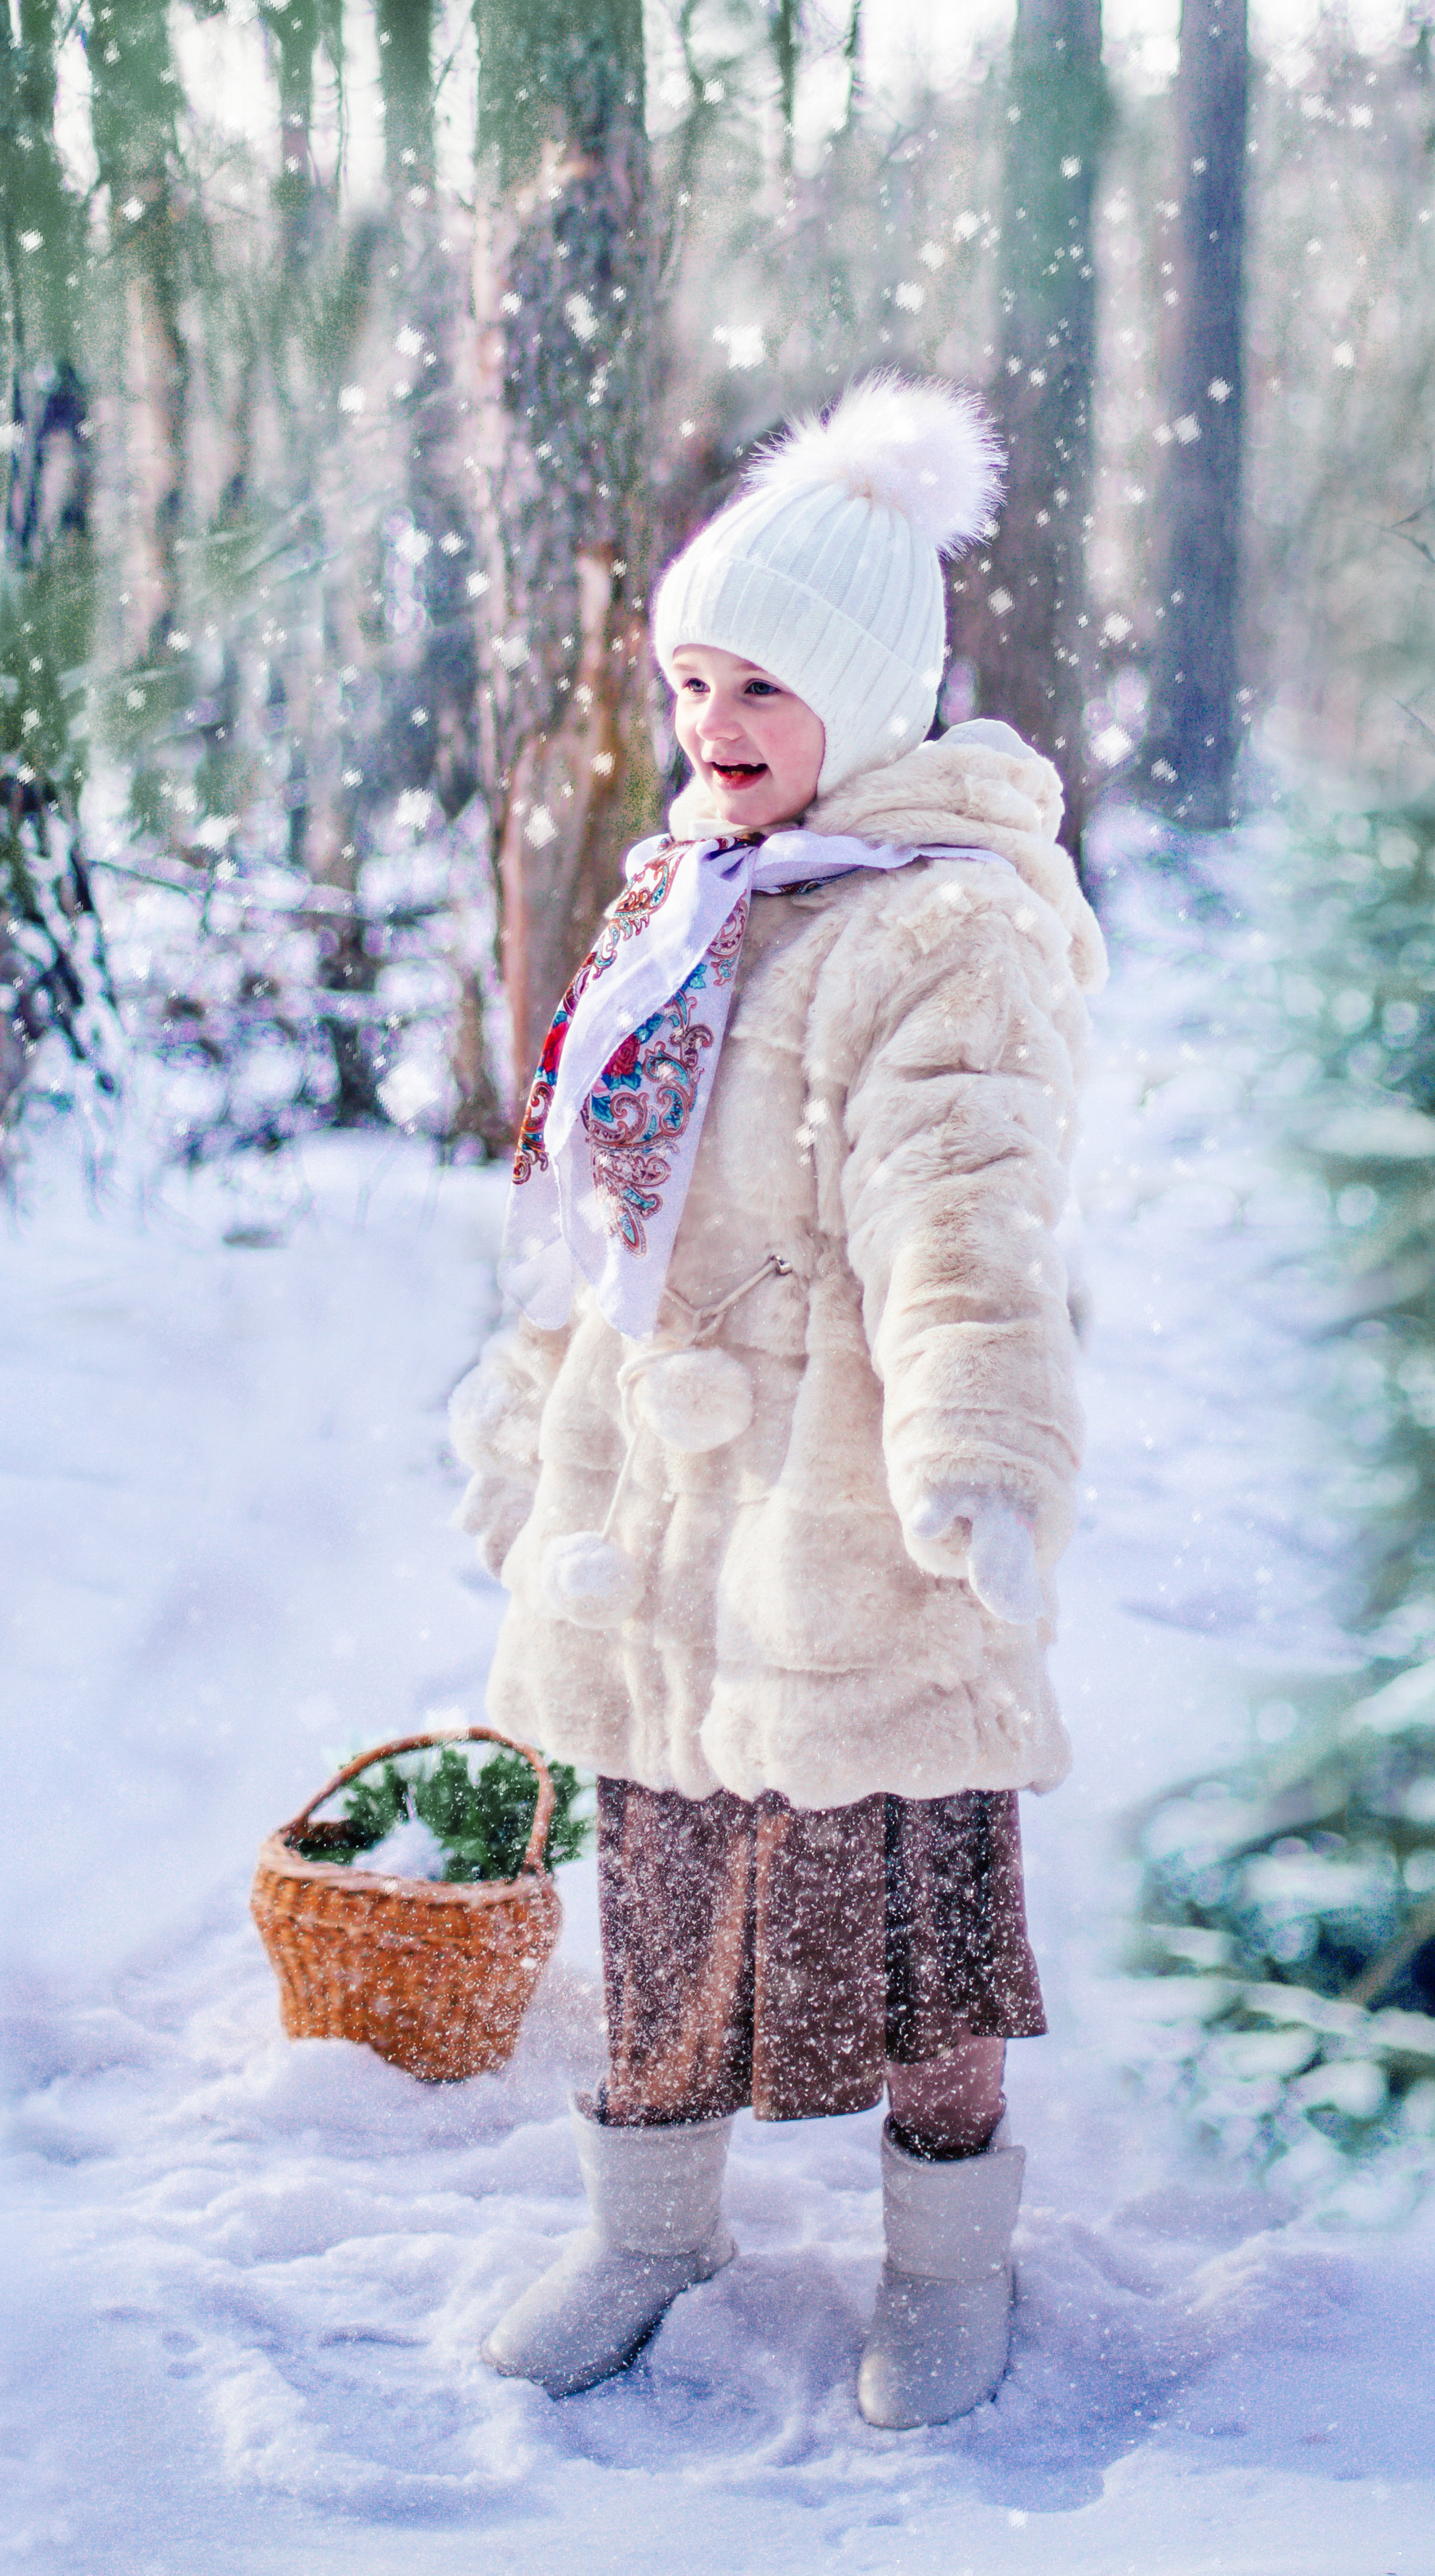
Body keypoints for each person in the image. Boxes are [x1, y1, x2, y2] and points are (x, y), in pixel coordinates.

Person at [449, 373, 1106, 2426]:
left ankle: (946, 2254)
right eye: (694, 680)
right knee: (660, 1888)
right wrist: (525, 1417)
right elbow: (595, 1213)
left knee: (915, 1901)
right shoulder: (688, 895)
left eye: (764, 688)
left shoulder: (945, 928)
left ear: (872, 701)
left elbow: (963, 1206)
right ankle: (651, 2224)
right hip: (661, 1506)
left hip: (847, 1505)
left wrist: (975, 1450)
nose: (715, 724)